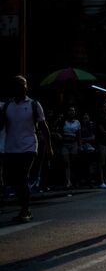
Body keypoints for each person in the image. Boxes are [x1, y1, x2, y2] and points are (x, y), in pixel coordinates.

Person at [1, 76, 53, 223]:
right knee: (14, 180)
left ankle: (26, 210)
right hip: (11, 148)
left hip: (28, 147)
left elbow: (43, 127)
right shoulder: (7, 106)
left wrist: (49, 147)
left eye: (23, 85)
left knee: (22, 177)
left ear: (26, 87)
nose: (21, 88)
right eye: (17, 85)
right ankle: (23, 207)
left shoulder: (34, 104)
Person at [60, 106, 80, 188]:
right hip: (65, 143)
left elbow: (79, 135)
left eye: (73, 110)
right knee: (66, 163)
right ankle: (68, 181)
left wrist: (80, 145)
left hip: (74, 143)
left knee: (73, 163)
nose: (71, 112)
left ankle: (75, 180)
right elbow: (60, 131)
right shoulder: (63, 122)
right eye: (70, 110)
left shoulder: (77, 122)